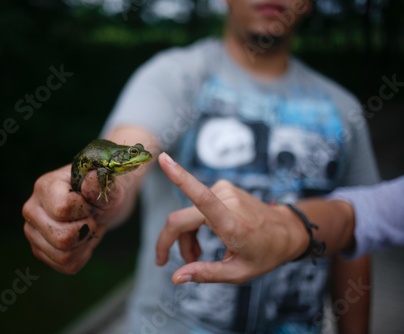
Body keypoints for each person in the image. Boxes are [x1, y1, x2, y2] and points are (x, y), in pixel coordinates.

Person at [22, 0, 380, 333]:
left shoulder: (343, 109)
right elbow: (134, 144)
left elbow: (357, 236)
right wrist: (102, 199)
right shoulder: (173, 75)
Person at [156, 152, 404, 285]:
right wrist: (285, 228)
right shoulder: (180, 73)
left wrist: (283, 229)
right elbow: (362, 214)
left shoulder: (344, 104)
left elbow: (362, 231)